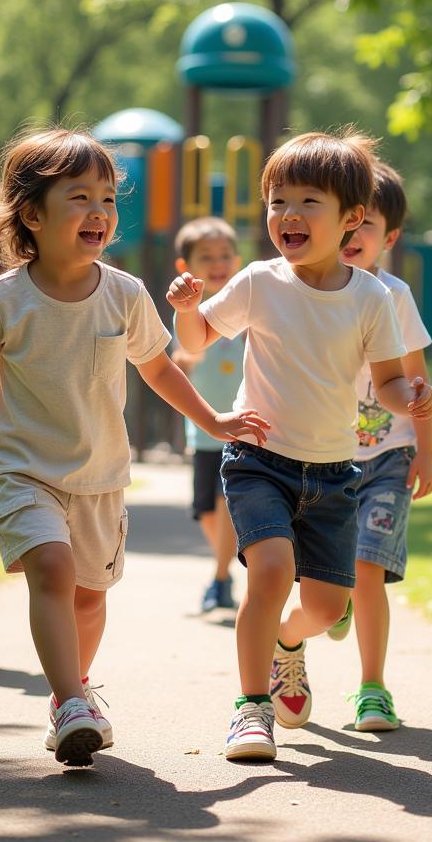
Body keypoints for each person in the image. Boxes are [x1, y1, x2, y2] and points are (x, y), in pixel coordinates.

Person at [0, 128, 268, 768]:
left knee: (90, 596)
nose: (99, 211)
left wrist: (213, 419)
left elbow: (158, 368)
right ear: (33, 215)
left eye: (108, 198)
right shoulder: (3, 299)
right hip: (22, 469)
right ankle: (72, 700)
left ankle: (70, 695)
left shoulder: (124, 293)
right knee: (50, 570)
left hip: (101, 474)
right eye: (80, 197)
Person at [168, 129, 432, 761]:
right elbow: (199, 339)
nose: (287, 214)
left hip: (333, 472)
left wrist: (415, 399)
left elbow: (392, 382)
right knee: (268, 571)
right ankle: (250, 708)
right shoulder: (260, 282)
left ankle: (290, 645)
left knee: (323, 607)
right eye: (276, 201)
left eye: (307, 201)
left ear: (351, 220)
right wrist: (187, 307)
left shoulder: (373, 298)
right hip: (258, 459)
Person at [332, 161, 432, 732]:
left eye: (365, 224)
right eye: (343, 221)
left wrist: (428, 451)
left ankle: (372, 687)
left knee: (369, 568)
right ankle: (324, 607)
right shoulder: (305, 287)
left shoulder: (393, 296)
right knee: (334, 579)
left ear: (389, 237)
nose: (352, 235)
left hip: (388, 457)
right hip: (322, 457)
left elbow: (418, 385)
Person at [171, 217, 244, 613]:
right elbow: (181, 360)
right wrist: (188, 357)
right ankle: (224, 569)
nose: (217, 263)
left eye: (224, 256)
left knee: (226, 503)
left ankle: (219, 578)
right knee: (205, 511)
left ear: (237, 259)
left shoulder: (248, 304)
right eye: (206, 257)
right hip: (203, 432)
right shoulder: (187, 310)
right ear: (186, 266)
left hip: (244, 430)